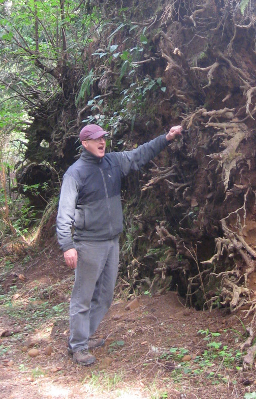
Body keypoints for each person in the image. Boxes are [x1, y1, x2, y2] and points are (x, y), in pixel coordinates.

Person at [56, 122, 183, 365]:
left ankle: (83, 336)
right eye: (96, 139)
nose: (101, 142)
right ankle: (78, 345)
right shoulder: (75, 173)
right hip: (88, 244)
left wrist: (166, 137)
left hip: (112, 241)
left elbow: (139, 155)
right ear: (85, 144)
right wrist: (67, 245)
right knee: (83, 297)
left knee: (104, 295)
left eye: (103, 138)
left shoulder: (113, 161)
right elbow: (64, 214)